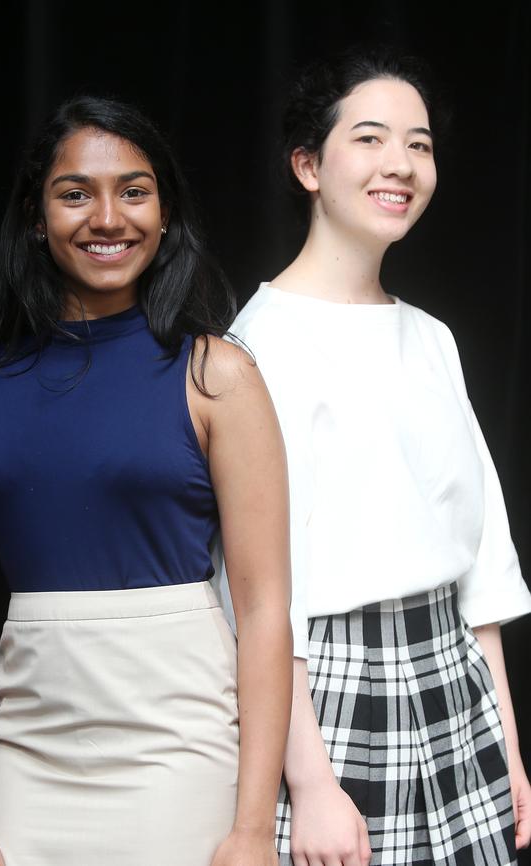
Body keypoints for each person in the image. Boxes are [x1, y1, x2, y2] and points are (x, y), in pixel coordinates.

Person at [0, 95, 293, 866]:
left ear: (164, 214)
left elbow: (264, 610)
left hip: (180, 750)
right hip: (28, 758)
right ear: (36, 216)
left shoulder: (216, 376)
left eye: (133, 190)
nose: (107, 217)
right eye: (74, 194)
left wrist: (254, 828)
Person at [222, 48, 531, 865]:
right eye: (370, 138)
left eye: (420, 144)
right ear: (307, 165)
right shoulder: (259, 345)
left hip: (453, 680)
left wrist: (508, 740)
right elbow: (256, 587)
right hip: (329, 694)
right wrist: (310, 781)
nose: (401, 164)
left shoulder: (431, 338)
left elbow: (481, 560)